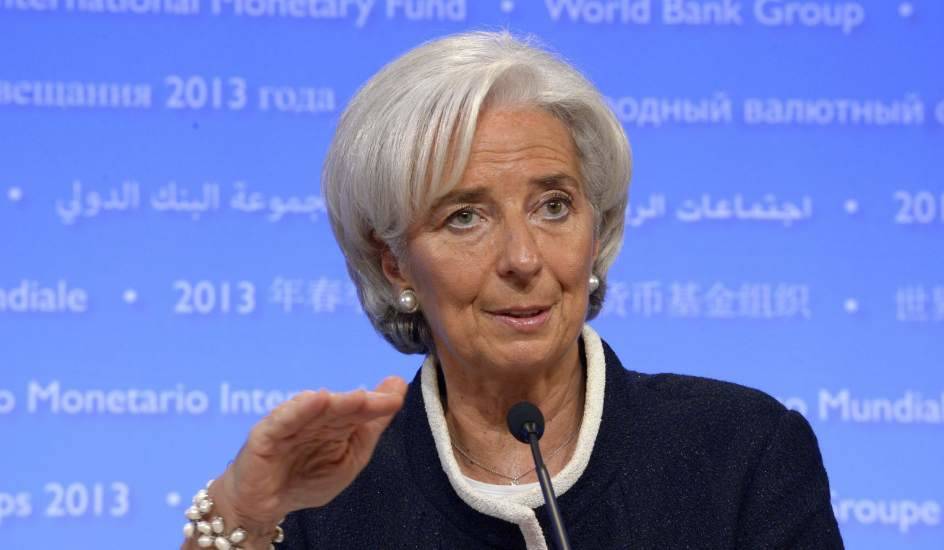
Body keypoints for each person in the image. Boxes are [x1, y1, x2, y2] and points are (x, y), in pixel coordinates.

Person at [180, 31, 844, 550]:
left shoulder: (740, 451)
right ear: (395, 265)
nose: (523, 258)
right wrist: (240, 512)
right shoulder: (326, 494)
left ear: (596, 229)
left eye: (554, 206)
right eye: (464, 217)